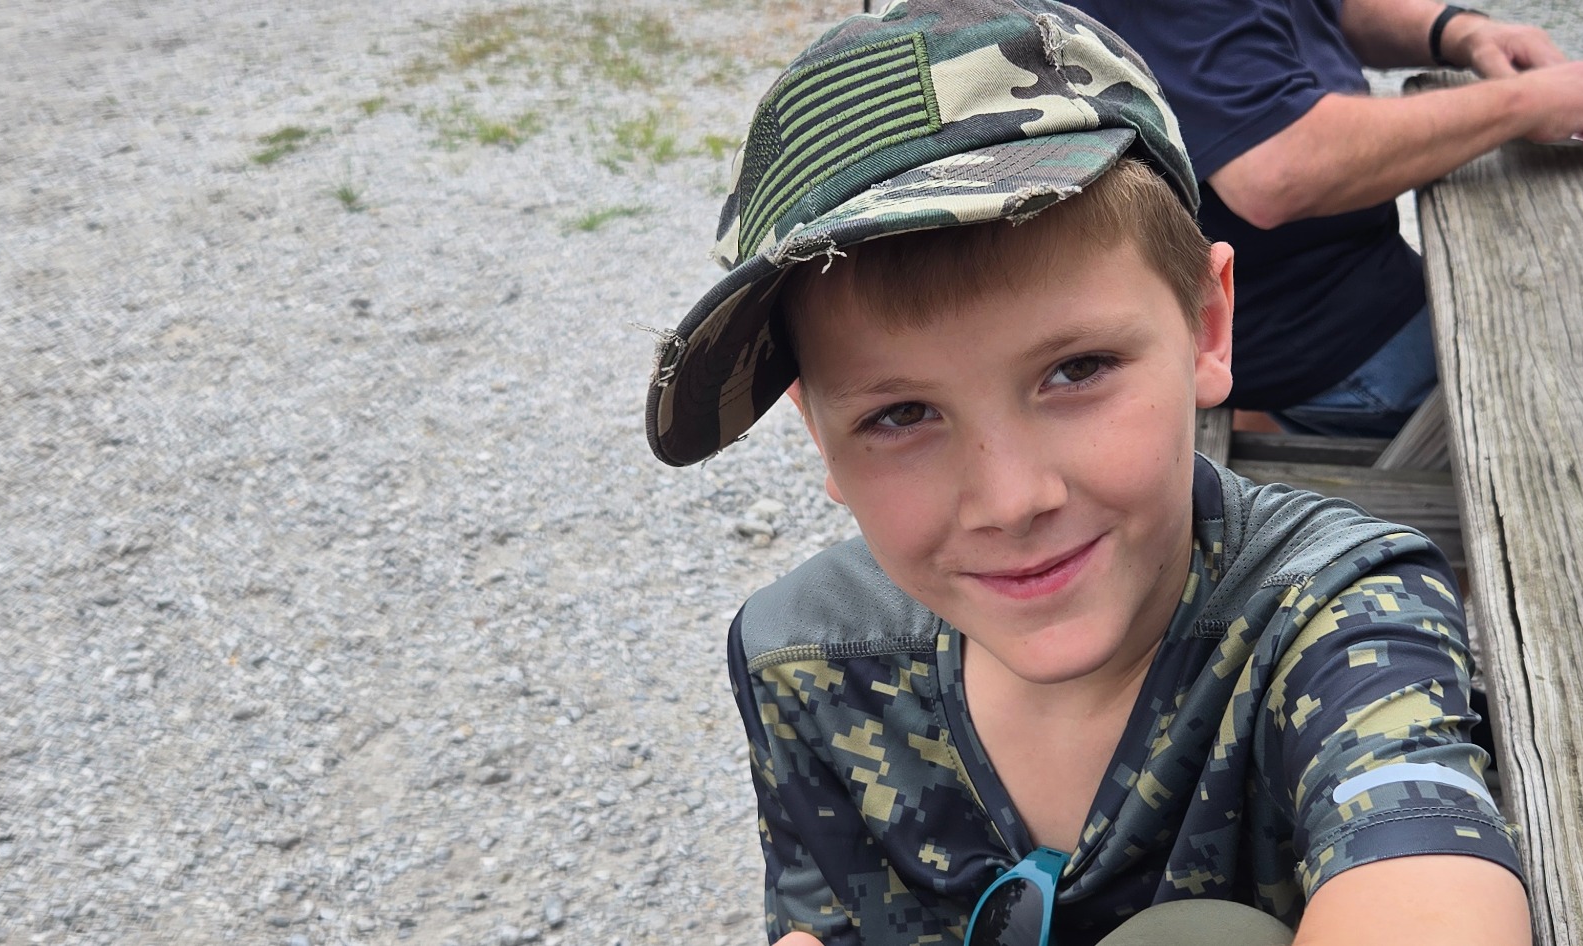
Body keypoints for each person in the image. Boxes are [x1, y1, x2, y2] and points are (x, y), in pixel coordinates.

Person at [641, 1, 1522, 943]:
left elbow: (1423, 872)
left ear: (1207, 326)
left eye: (1078, 370)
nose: (1012, 500)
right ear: (819, 435)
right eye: (900, 415)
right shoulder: (802, 657)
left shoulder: (1332, 613)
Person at [1062, 0, 1583, 438]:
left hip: (1347, 282)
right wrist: (1529, 102)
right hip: (1315, 337)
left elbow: (1329, 10)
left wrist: (1460, 32)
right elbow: (1278, 168)